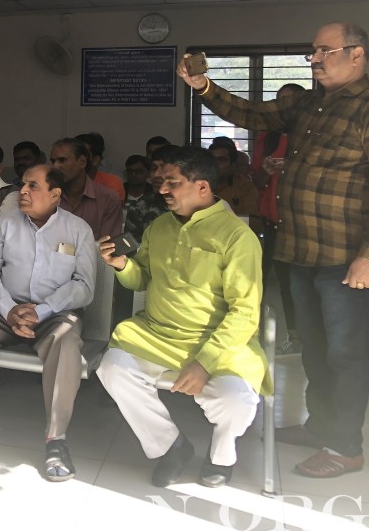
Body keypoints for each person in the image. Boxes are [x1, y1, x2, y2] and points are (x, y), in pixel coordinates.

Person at [178, 23, 369, 478]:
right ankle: (319, 426)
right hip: (298, 253)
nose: (316, 58)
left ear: (358, 55)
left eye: (326, 50)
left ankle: (345, 448)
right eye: (313, 51)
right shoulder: (307, 103)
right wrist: (203, 86)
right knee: (314, 350)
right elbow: (249, 113)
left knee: (346, 354)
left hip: (346, 259)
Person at [97, 146, 269, 488]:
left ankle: (222, 454)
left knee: (236, 401)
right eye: (162, 182)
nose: (162, 190)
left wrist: (204, 363)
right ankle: (170, 445)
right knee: (112, 368)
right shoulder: (159, 227)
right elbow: (142, 279)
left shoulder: (237, 236)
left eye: (171, 183)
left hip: (217, 343)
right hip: (156, 335)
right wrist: (122, 265)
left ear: (202, 187)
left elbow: (244, 312)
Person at [0, 165, 95, 482]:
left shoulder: (78, 229)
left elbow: (83, 286)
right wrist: (11, 309)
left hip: (54, 314)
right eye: (23, 185)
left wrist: (41, 311)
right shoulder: (6, 224)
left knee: (66, 341)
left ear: (55, 194)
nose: (23, 191)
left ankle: (56, 440)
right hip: (5, 309)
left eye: (33, 186)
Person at [250, 83, 306, 355]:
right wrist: (266, 170)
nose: (284, 106)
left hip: (297, 225)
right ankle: (251, 334)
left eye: (291, 101)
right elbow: (256, 182)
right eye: (279, 101)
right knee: (253, 282)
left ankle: (297, 338)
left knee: (292, 284)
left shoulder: (309, 136)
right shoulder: (267, 137)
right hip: (268, 222)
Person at [49, 137, 122, 239]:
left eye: (62, 160)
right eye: (53, 161)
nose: (55, 166)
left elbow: (107, 247)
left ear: (82, 162)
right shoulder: (46, 196)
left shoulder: (108, 199)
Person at [122, 154, 167, 241]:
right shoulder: (118, 191)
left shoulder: (154, 193)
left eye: (139, 171)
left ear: (147, 172)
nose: (133, 175)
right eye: (130, 171)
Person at [76, 132, 126, 202]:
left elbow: (110, 211)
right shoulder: (61, 182)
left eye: (82, 154)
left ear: (96, 160)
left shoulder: (112, 182)